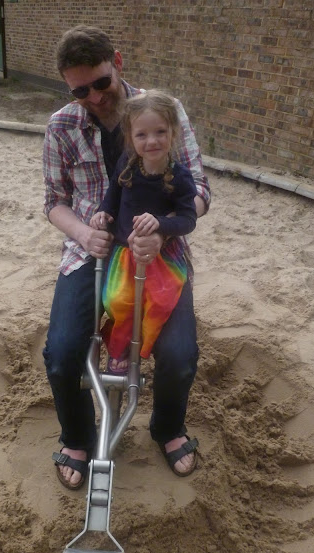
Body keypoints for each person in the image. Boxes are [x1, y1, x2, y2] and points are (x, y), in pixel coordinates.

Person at [43, 25, 211, 490]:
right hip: (92, 251)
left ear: (118, 62)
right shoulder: (61, 126)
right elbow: (54, 201)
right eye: (80, 91)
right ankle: (78, 437)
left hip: (160, 252)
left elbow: (199, 191)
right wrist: (84, 232)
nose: (94, 97)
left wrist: (162, 231)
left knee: (180, 356)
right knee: (62, 355)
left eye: (101, 83)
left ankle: (167, 428)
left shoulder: (164, 111)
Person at [89, 90, 197, 374]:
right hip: (125, 254)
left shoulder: (181, 176)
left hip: (162, 258)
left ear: (173, 132)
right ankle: (119, 346)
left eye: (160, 132)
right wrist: (103, 211)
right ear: (130, 137)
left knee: (158, 303)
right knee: (118, 301)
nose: (152, 141)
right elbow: (112, 195)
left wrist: (160, 224)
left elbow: (188, 219)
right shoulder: (127, 164)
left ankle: (143, 345)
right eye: (142, 135)